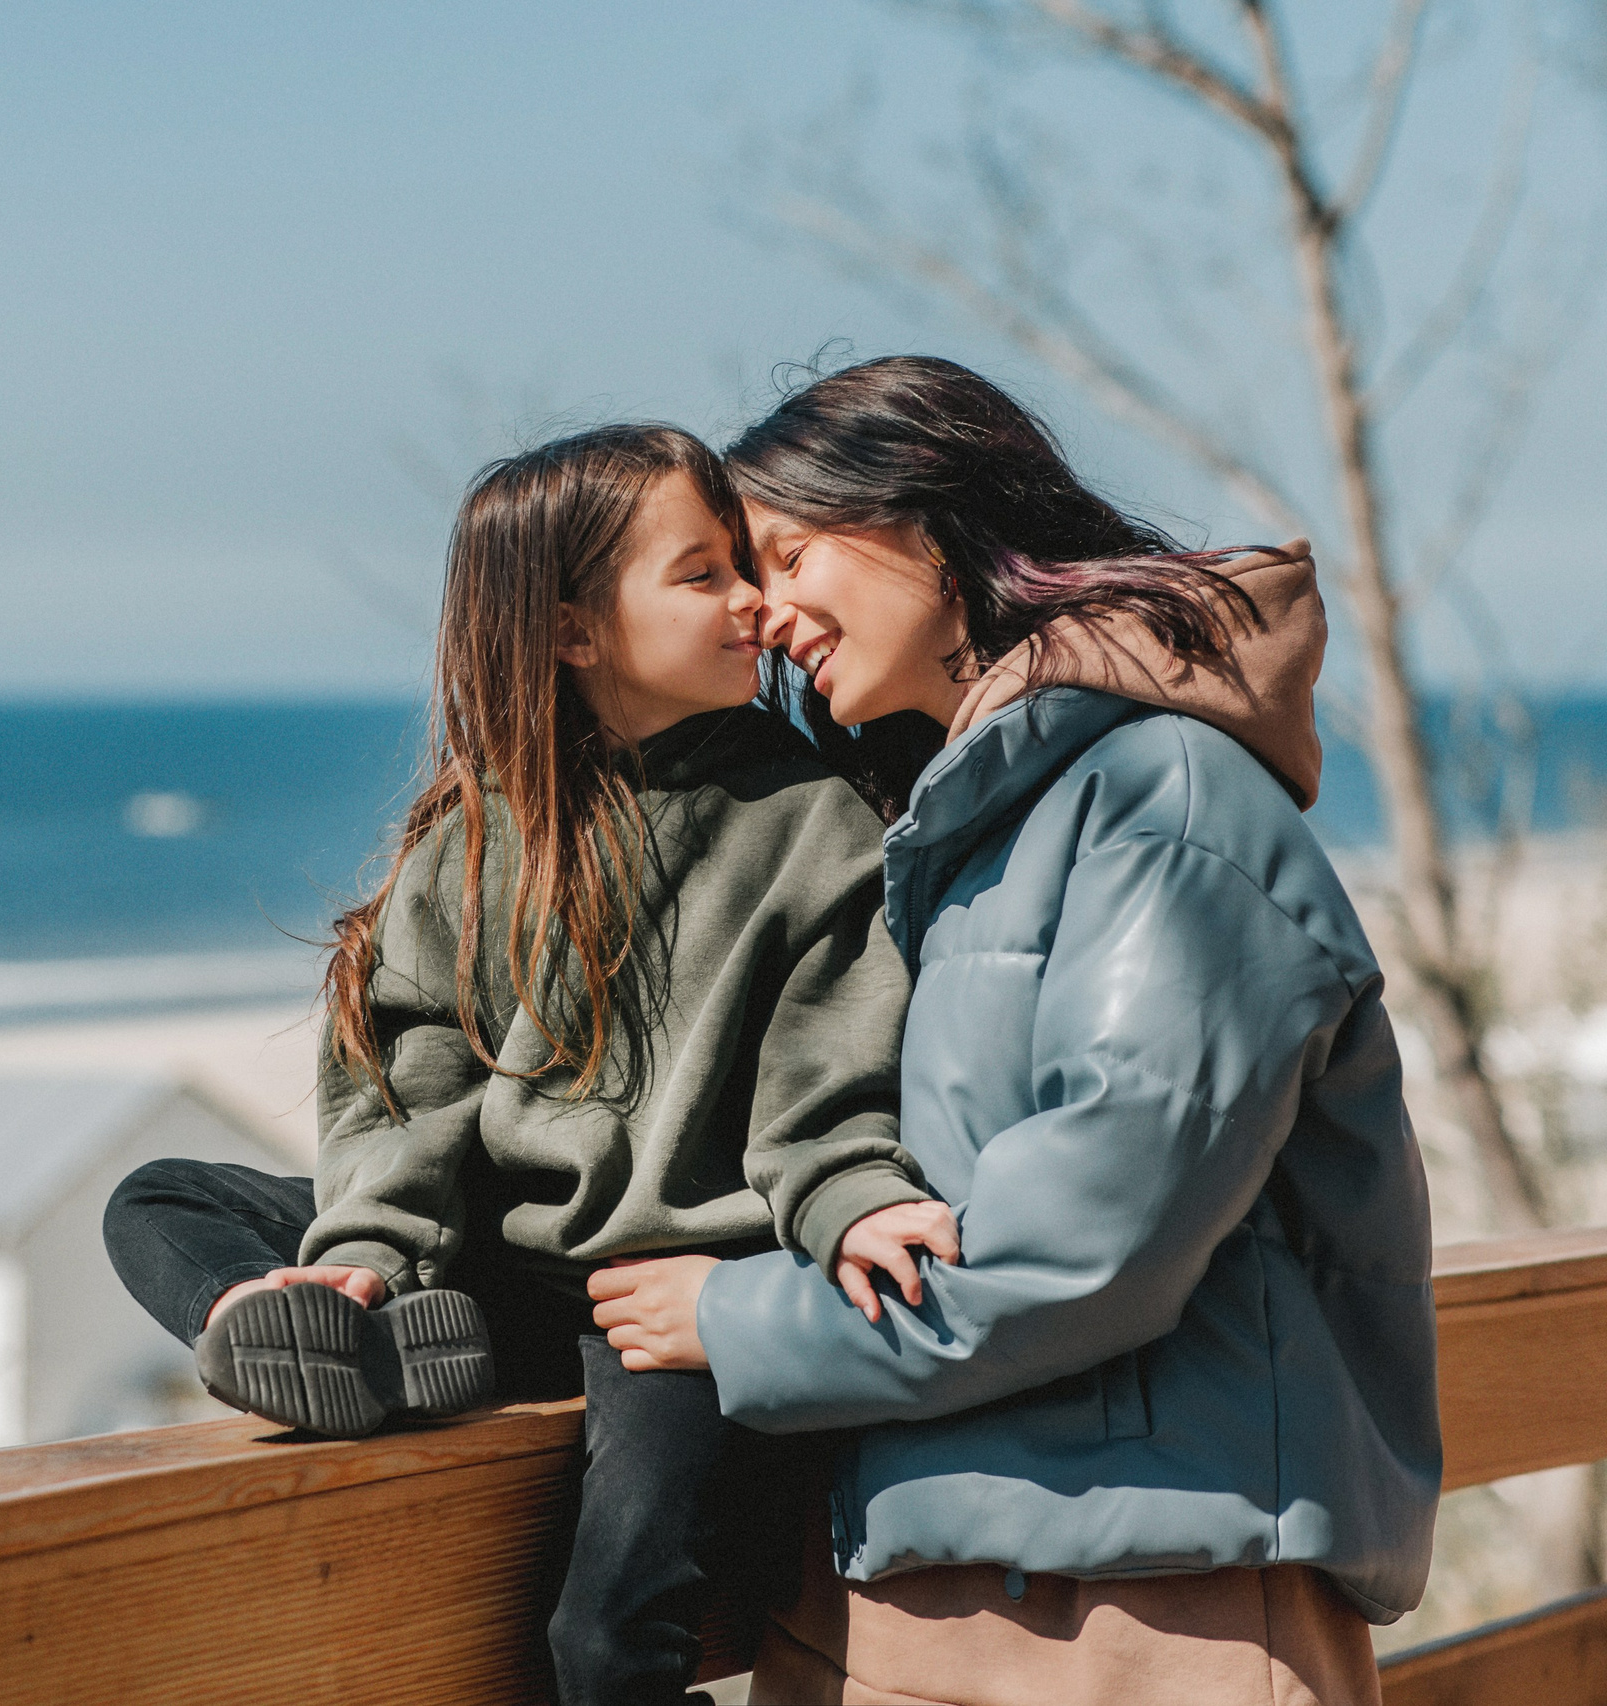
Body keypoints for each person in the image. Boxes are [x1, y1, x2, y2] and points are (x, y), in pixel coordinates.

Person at [588, 356, 1439, 1706]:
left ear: (929, 519)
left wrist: (735, 1318)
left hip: (1143, 1614)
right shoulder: (962, 824)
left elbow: (1091, 1248)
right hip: (893, 1590)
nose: (765, 608)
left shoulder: (1161, 800)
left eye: (791, 551)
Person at [103, 422, 960, 1706]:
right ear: (571, 631)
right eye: (701, 573)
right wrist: (369, 1254)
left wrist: (852, 1201)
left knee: (607, 1634)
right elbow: (411, 1083)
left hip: (669, 1296)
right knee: (161, 1192)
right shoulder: (474, 833)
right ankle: (293, 1321)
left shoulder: (812, 819)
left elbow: (826, 1084)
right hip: (495, 1268)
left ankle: (369, 1341)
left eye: (745, 565)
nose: (752, 600)